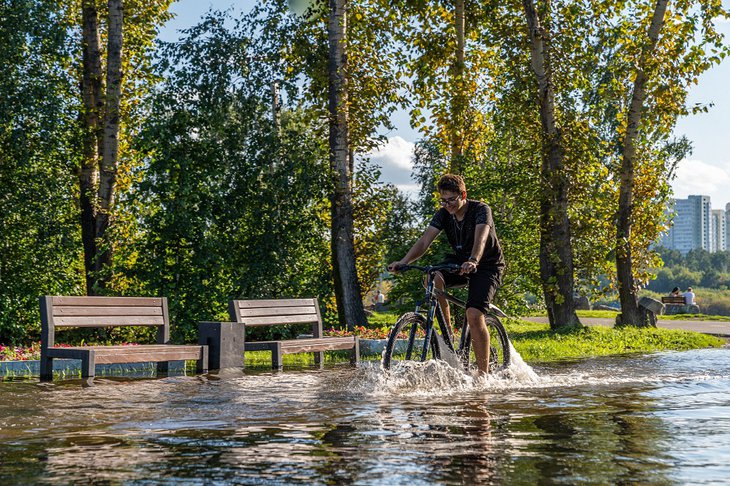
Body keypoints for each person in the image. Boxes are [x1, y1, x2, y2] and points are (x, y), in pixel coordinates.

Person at [388, 174, 505, 375]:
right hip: (461, 264)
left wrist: (474, 260)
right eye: (443, 200)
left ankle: (483, 376)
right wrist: (404, 262)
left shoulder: (480, 210)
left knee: (474, 314)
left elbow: (482, 238)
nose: (447, 205)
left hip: (486, 265)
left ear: (463, 195)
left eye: (452, 199)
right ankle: (448, 333)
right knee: (431, 278)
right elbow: (425, 241)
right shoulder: (443, 214)